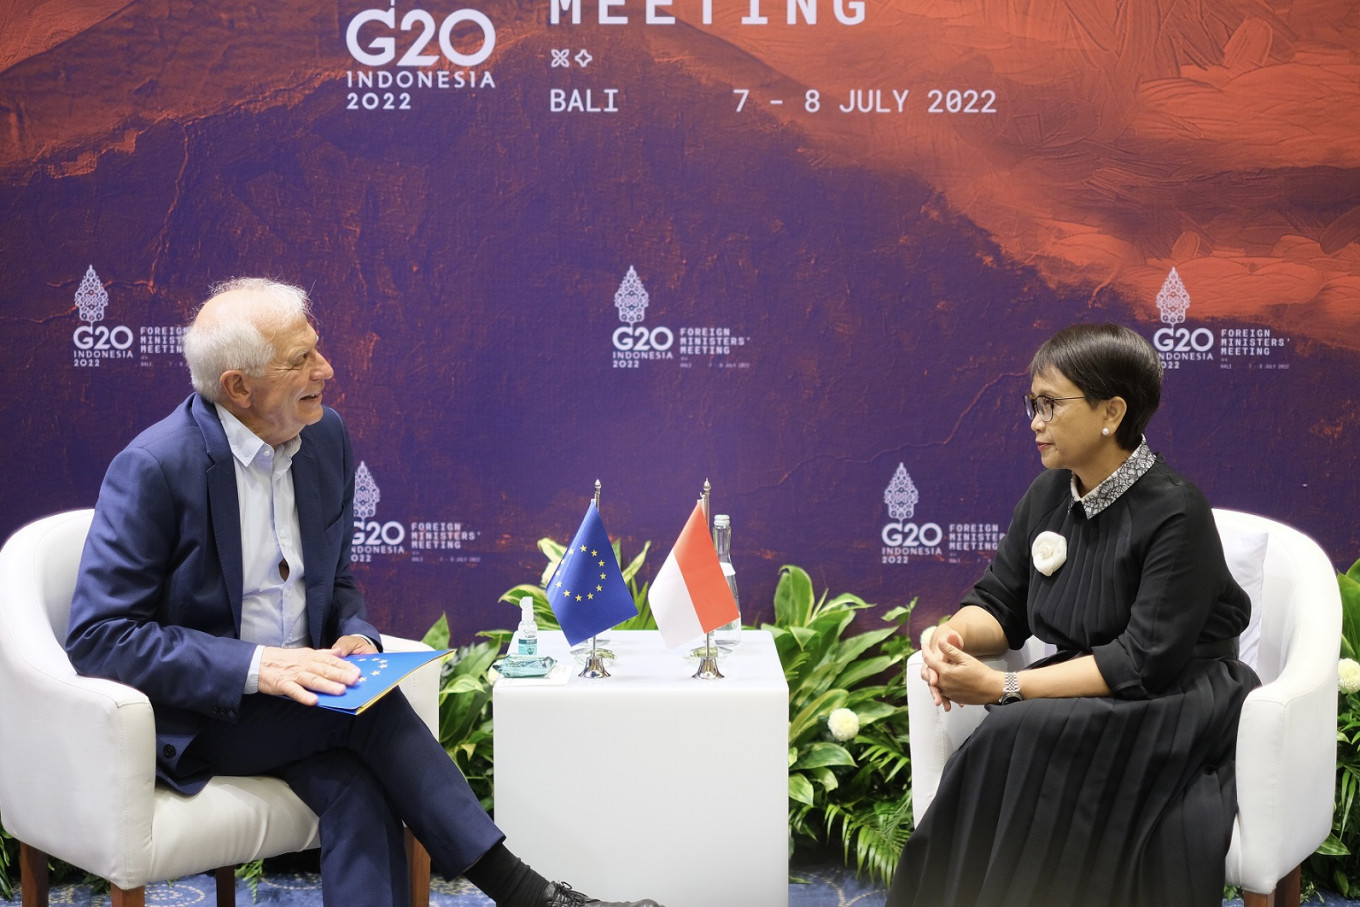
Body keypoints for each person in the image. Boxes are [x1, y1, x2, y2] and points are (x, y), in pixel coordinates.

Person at [65, 277, 662, 907]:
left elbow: (336, 579)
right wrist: (261, 667)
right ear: (238, 387)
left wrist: (356, 633)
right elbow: (100, 638)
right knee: (367, 717)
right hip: (208, 717)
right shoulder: (156, 467)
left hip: (311, 706)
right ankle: (528, 896)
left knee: (357, 784)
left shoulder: (325, 438)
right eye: (300, 360)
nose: (326, 368)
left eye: (315, 348)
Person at [888, 324, 1259, 907]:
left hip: (1179, 692)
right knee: (1017, 729)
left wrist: (1005, 685)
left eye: (1051, 405)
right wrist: (952, 633)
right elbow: (999, 604)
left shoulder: (1176, 509)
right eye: (1032, 405)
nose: (1035, 421)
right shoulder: (1048, 494)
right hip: (1094, 681)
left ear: (1112, 411)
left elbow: (1142, 660)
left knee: (1018, 724)